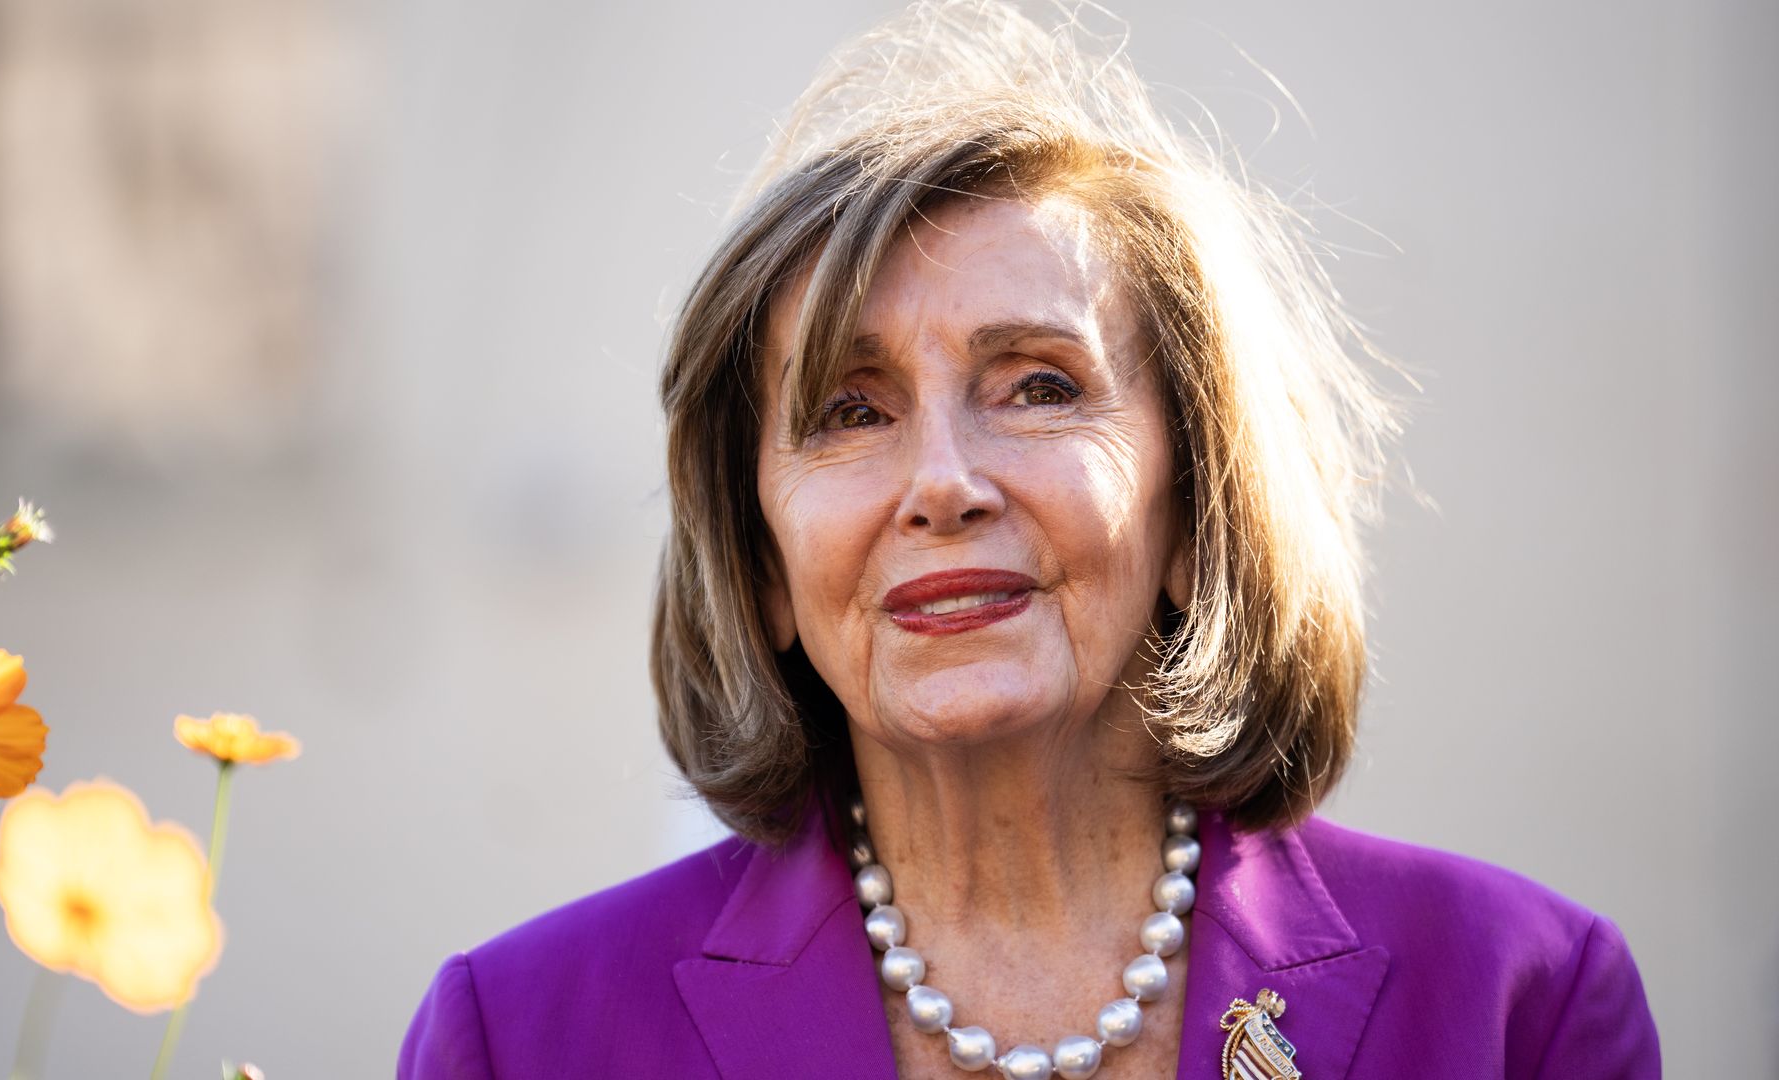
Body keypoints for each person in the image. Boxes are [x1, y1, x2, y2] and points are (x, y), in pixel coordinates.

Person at [400, 2, 1660, 1077]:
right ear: (762, 560)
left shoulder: (1515, 1004)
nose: (941, 485)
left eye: (1039, 387)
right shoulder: (525, 1037)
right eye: (849, 412)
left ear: (1194, 506)